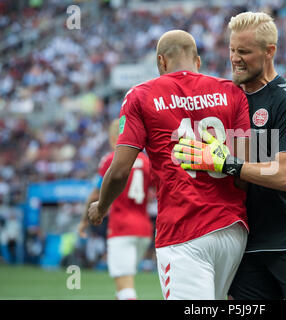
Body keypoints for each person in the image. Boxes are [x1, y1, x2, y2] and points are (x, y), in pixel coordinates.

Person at [88, 30, 250, 300]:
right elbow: (247, 168)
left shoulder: (141, 96)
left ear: (161, 62)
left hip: (184, 228)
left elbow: (119, 170)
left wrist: (101, 206)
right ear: (197, 61)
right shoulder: (231, 91)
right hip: (233, 228)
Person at [174, 11, 286, 300]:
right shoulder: (226, 99)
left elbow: (285, 176)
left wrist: (227, 162)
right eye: (232, 50)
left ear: (270, 52)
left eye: (244, 51)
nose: (235, 58)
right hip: (243, 244)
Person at [79, 119, 153, 300]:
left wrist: (83, 222)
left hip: (121, 228)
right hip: (144, 230)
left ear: (114, 138)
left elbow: (94, 195)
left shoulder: (110, 160)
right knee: (123, 285)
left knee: (126, 289)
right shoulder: (146, 161)